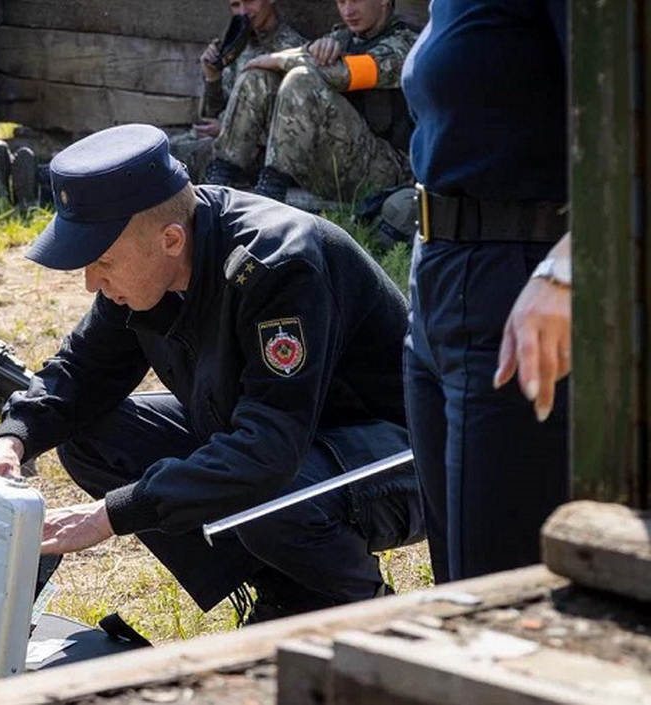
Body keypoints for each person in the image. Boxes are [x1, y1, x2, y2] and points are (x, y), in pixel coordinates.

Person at [0, 124, 424, 623]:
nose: (90, 283)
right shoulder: (154, 269)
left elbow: (267, 453)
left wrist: (112, 514)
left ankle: (363, 614)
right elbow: (81, 371)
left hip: (399, 452)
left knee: (268, 492)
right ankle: (286, 590)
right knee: (92, 434)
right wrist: (10, 442)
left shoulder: (276, 265)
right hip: (284, 435)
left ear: (169, 239)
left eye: (102, 261)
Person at [402, 0, 570, 584]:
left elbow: (630, 109)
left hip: (519, 283)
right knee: (453, 584)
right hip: (437, 284)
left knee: (495, 586)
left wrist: (572, 264)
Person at [206, 0, 416, 203]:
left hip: (385, 173)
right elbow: (308, 56)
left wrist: (281, 59)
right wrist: (318, 48)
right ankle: (221, 177)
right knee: (258, 76)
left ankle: (272, 190)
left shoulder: (406, 43)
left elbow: (346, 73)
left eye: (356, 1)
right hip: (333, 163)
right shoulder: (343, 37)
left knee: (301, 78)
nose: (348, 11)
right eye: (341, 2)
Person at [194, 0, 306, 140]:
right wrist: (213, 78)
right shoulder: (235, 45)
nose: (243, 12)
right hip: (219, 147)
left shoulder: (293, 52)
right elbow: (210, 119)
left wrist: (229, 129)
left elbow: (293, 132)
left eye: (249, 1)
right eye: (235, 5)